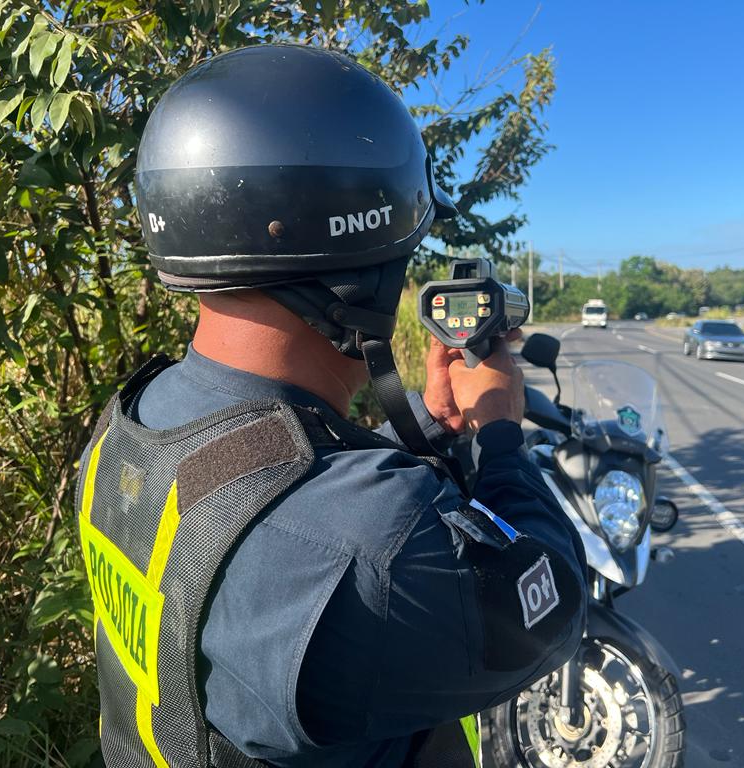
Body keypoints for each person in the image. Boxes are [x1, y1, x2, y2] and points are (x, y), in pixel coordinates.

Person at [76, 44, 587, 768]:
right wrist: (499, 436)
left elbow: (271, 481)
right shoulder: (379, 547)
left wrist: (431, 423)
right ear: (362, 274)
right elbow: (553, 606)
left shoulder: (127, 429)